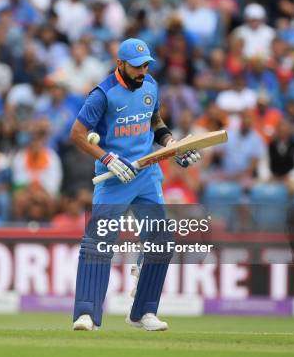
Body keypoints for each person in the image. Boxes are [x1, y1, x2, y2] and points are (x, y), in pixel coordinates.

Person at [69, 38, 200, 331]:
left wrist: (172, 145)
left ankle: (142, 313)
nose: (142, 71)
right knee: (99, 242)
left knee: (161, 242)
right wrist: (106, 159)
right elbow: (77, 133)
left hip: (147, 175)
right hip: (115, 178)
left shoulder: (151, 86)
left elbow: (155, 122)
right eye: (137, 66)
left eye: (145, 65)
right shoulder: (102, 94)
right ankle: (87, 314)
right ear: (120, 64)